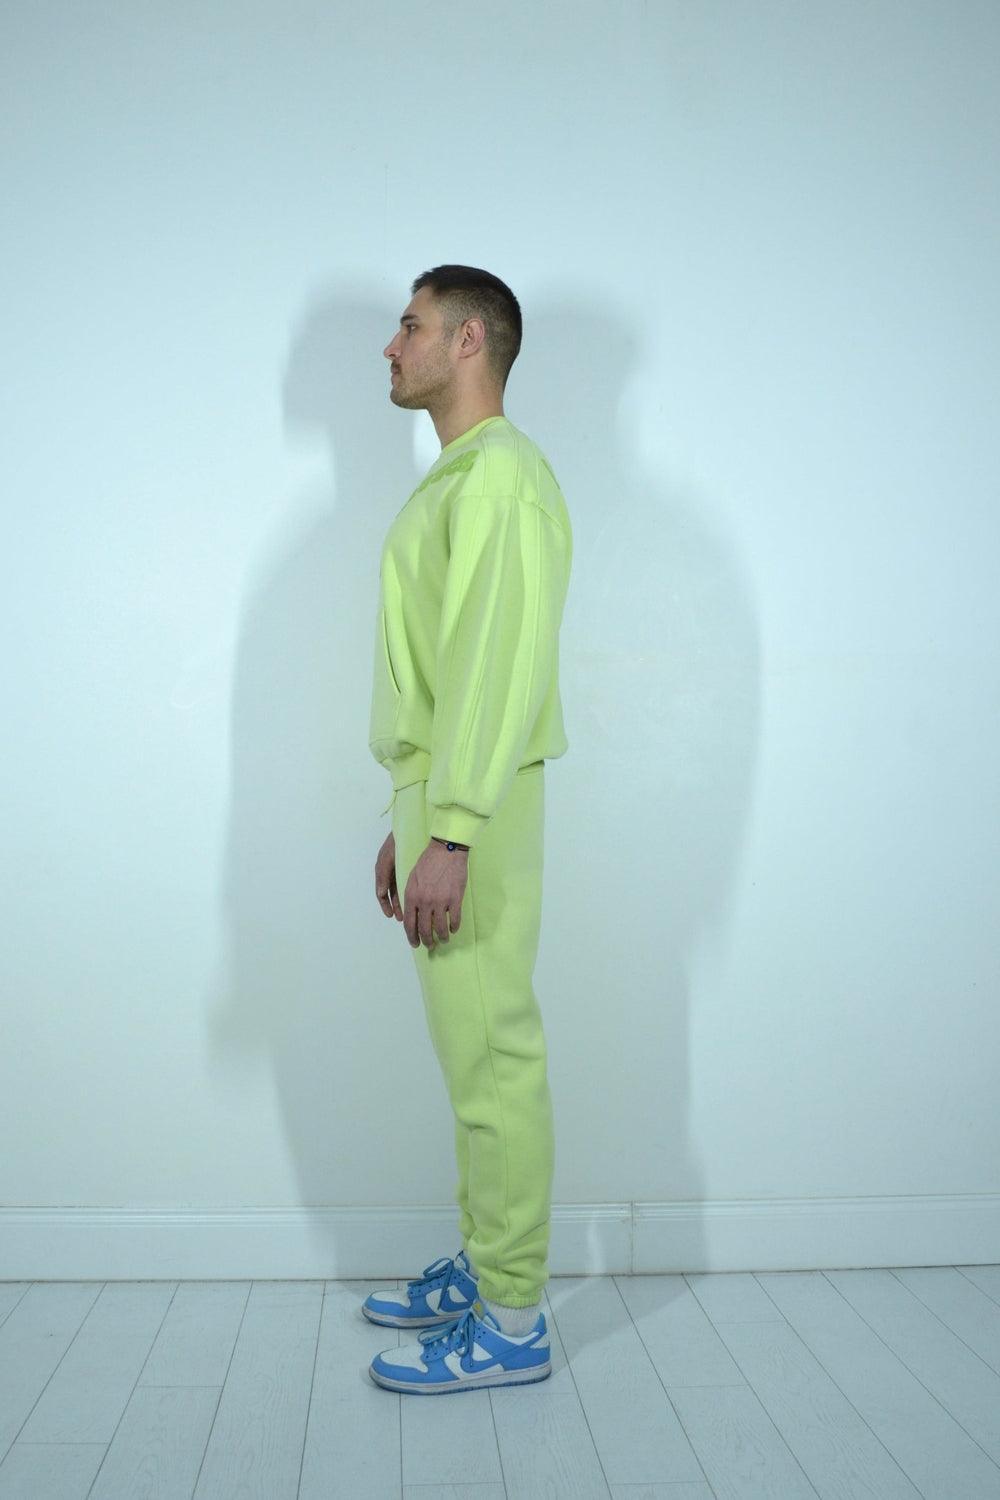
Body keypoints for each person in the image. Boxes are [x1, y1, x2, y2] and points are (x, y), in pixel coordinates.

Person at [362, 265, 573, 1394]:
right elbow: (443, 676)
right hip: (446, 804)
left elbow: (495, 668)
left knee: (494, 1056)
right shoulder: (459, 478)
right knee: (470, 1054)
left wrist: (452, 831)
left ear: (470, 340)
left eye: (411, 325)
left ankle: (515, 1318)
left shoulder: (499, 479)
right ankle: (489, 1263)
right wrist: (412, 817)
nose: (391, 347)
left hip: (472, 814)